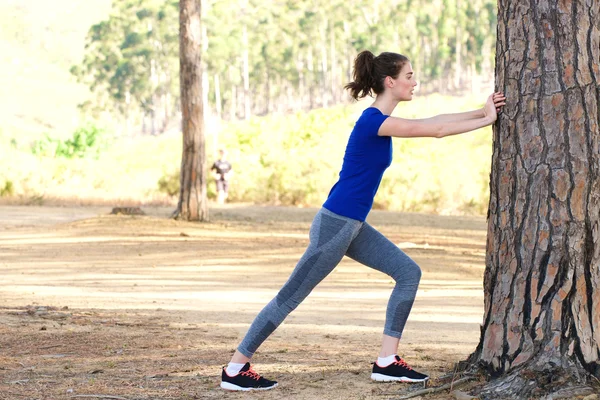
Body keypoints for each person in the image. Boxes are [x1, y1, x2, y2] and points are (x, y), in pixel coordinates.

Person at [220, 50, 506, 392]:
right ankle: (235, 367)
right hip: (335, 225)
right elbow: (437, 129)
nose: (415, 82)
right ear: (391, 82)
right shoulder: (373, 121)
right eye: (410, 76)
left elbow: (437, 120)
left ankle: (386, 361)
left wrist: (483, 109)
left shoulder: (380, 120)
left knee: (408, 272)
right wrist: (486, 120)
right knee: (291, 296)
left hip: (351, 225)